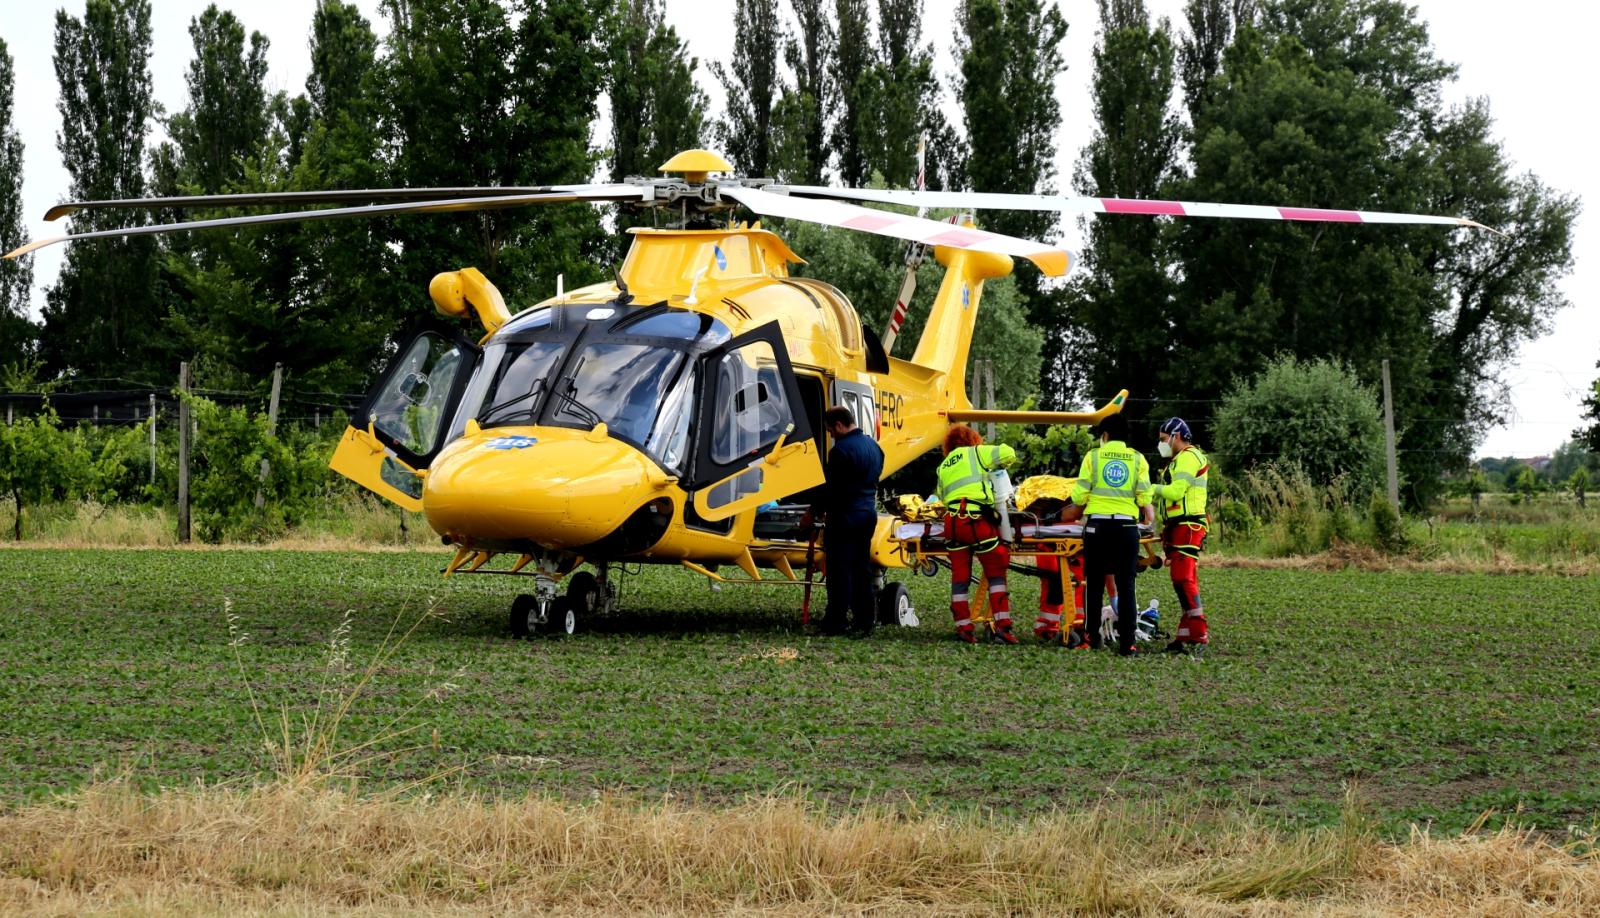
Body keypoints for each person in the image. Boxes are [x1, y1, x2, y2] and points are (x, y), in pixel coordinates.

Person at [1062, 413, 1154, 655]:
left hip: (1097, 528)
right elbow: (1145, 498)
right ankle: (1128, 643)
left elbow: (1080, 497)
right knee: (1127, 585)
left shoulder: (1093, 457)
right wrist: (1146, 516)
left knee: (1094, 584)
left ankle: (1092, 638)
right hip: (1126, 528)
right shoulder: (1137, 459)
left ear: (1105, 435)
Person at [935, 424, 1018, 644]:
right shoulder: (978, 452)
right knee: (996, 569)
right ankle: (1003, 627)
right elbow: (1009, 453)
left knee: (959, 577)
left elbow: (941, 497)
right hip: (975, 521)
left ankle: (963, 627)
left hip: (952, 524)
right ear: (973, 439)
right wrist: (998, 464)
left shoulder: (943, 465)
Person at [808, 406, 884, 637]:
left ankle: (835, 623)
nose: (830, 435)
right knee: (861, 569)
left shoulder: (840, 451)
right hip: (867, 514)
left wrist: (812, 513)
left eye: (831, 430)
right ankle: (865, 620)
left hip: (844, 516)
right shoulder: (875, 447)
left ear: (839, 425)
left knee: (839, 571)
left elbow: (831, 489)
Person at [1151, 417, 1210, 655]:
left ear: (1176, 436)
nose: (1162, 444)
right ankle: (1185, 637)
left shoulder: (1188, 457)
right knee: (1182, 580)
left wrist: (1148, 488)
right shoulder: (1177, 461)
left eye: (1164, 440)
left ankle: (1199, 634)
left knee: (1183, 579)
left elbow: (1175, 492)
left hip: (1189, 525)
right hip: (1178, 526)